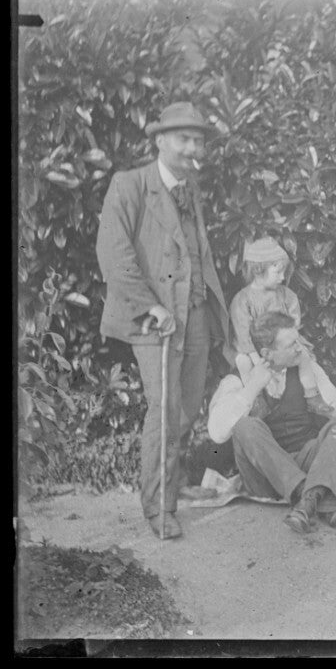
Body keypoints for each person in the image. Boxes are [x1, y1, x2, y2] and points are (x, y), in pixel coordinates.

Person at [95, 102, 233, 540]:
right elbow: (114, 254)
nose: (193, 148)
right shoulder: (130, 185)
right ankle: (158, 508)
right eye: (184, 139)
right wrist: (149, 305)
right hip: (153, 319)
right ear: (159, 141)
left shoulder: (190, 190)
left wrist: (214, 313)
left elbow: (199, 255)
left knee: (188, 407)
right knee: (165, 409)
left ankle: (170, 487)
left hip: (193, 315)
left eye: (198, 141)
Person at [206, 312, 336, 534]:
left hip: (307, 461)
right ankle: (317, 499)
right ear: (266, 353)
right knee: (244, 426)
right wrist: (252, 387)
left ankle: (306, 502)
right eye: (292, 344)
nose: (300, 349)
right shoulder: (237, 379)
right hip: (264, 479)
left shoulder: (307, 368)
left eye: (298, 341)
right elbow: (217, 432)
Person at [228, 236, 305, 369]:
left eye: (284, 272)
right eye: (278, 272)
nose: (282, 277)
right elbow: (243, 338)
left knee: (306, 360)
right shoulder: (242, 300)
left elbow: (293, 329)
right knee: (243, 362)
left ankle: (309, 387)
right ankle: (256, 387)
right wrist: (259, 364)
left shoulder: (287, 296)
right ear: (258, 270)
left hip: (282, 348)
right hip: (253, 352)